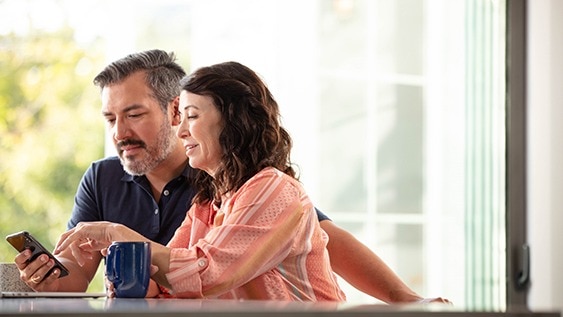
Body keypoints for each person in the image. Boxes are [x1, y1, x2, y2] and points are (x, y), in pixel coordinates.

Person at [14, 49, 448, 303]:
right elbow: (153, 282)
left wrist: (406, 301)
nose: (119, 132)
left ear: (173, 112)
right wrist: (42, 275)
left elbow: (324, 241)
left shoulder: (262, 186)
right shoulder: (204, 195)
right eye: (110, 118)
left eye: (133, 114)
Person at [53, 61, 346, 300]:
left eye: (190, 116)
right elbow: (166, 282)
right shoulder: (209, 201)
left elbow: (205, 273)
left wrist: (114, 234)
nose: (180, 131)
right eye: (111, 119)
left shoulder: (274, 190)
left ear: (232, 121)